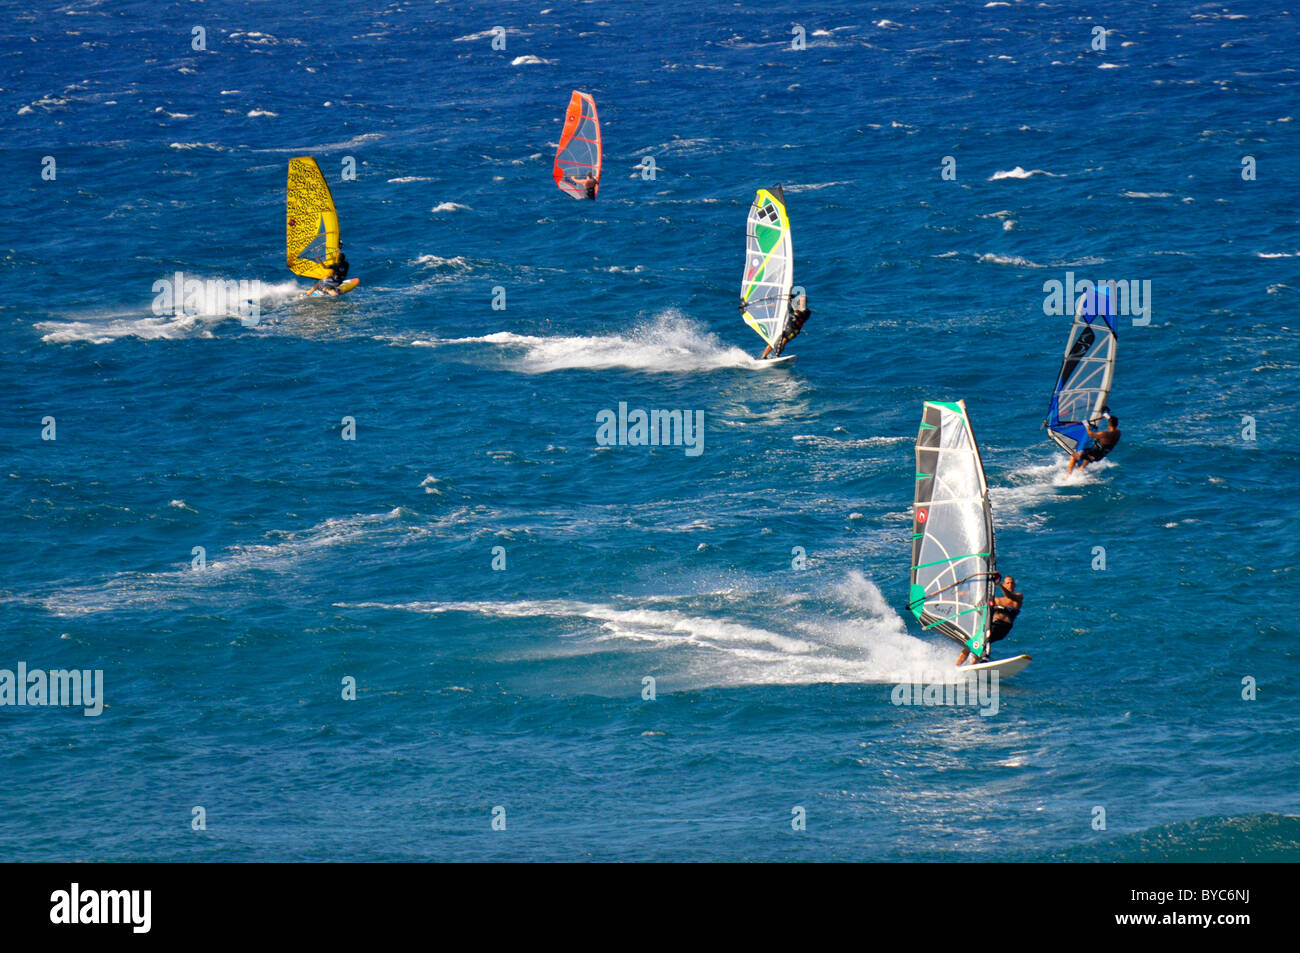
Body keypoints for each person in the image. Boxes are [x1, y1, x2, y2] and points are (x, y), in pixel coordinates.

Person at [957, 573, 1022, 666]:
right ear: (1004, 584)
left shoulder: (1018, 597)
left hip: (1003, 627)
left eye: (1012, 583)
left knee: (985, 639)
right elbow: (979, 603)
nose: (1010, 585)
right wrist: (965, 594)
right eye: (1007, 583)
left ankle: (980, 660)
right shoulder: (996, 600)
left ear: (1015, 585)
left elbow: (1010, 596)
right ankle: (958, 666)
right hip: (992, 625)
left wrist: (998, 584)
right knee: (972, 644)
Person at [1067, 411, 1120, 475]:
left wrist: (1086, 424)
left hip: (1093, 453)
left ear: (1108, 424)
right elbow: (1112, 422)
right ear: (1117, 424)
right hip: (1101, 455)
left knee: (1073, 456)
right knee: (1089, 454)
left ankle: (1068, 476)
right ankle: (1081, 469)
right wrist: (1107, 416)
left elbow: (1091, 435)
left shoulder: (1105, 434)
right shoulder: (1118, 433)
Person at [761, 293, 811, 359]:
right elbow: (784, 308)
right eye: (800, 301)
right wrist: (774, 306)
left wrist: (792, 301)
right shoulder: (793, 307)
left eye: (804, 301)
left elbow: (797, 312)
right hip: (785, 326)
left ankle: (777, 355)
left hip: (794, 330)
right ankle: (763, 357)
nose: (802, 302)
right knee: (773, 341)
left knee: (784, 340)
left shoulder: (807, 312)